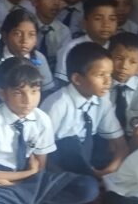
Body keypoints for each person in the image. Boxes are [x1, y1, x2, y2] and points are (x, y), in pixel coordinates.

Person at [0, 57, 100, 204]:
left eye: (34, 91)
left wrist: (27, 176)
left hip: (30, 181)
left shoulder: (42, 120)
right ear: (3, 94)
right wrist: (24, 176)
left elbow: (40, 168)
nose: (28, 100)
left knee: (89, 187)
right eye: (19, 93)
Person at [42, 42, 129, 178]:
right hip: (58, 164)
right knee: (70, 144)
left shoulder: (102, 100)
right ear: (77, 79)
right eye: (101, 75)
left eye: (110, 74)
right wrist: (67, 178)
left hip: (89, 161)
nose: (108, 81)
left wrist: (107, 172)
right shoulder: (57, 105)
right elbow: (39, 154)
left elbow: (121, 146)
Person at [0, 9, 55, 95]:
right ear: (5, 36)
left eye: (31, 34)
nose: (25, 40)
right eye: (18, 34)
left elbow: (46, 91)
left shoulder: (39, 58)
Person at [54, 0, 118, 84]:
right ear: (85, 23)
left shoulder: (116, 49)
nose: (106, 24)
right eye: (98, 19)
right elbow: (62, 82)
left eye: (112, 19)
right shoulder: (71, 48)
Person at [32, 0, 71, 68]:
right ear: (35, 1)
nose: (56, 3)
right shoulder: (25, 25)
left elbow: (63, 64)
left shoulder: (64, 31)